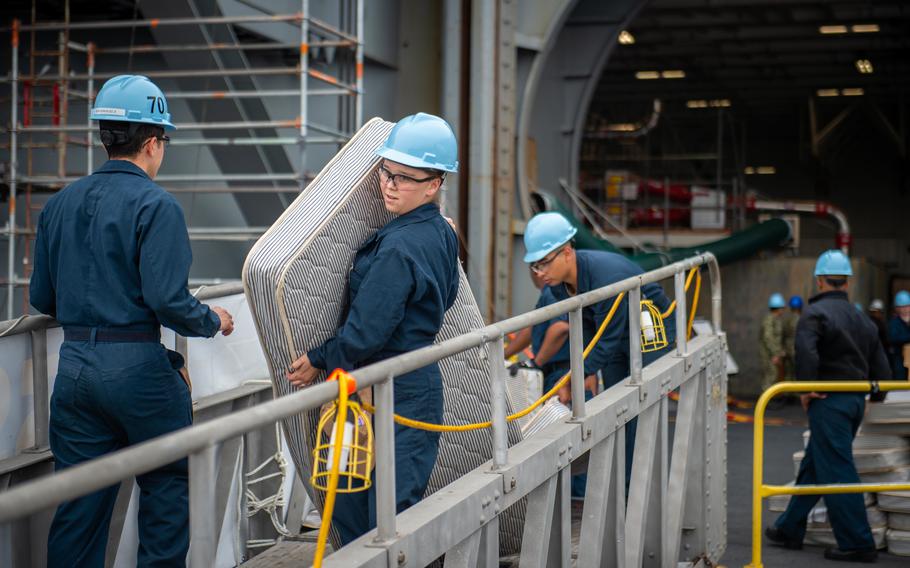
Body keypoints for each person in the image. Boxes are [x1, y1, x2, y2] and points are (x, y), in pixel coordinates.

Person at [30, 75, 235, 566]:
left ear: (106, 136)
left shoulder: (58, 204)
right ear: (152, 142)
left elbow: (42, 297)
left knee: (79, 505)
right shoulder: (156, 205)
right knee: (166, 491)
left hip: (75, 368)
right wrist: (213, 320)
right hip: (140, 376)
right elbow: (168, 300)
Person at [285, 112, 460, 544]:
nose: (388, 184)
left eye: (404, 177)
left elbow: (367, 330)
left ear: (434, 183)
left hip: (389, 385)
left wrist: (319, 359)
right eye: (386, 171)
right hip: (407, 382)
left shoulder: (400, 246)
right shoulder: (440, 231)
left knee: (377, 516)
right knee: (380, 508)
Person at [520, 212, 676, 484]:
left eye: (544, 263)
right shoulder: (560, 285)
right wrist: (584, 369)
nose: (540, 273)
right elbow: (586, 324)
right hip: (618, 333)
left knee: (642, 412)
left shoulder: (606, 276)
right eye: (535, 266)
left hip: (650, 330)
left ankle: (640, 488)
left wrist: (577, 373)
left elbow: (606, 337)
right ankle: (621, 485)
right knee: (619, 410)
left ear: (566, 252)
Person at [765, 250, 890, 563]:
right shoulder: (863, 318)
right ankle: (789, 528)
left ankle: (858, 543)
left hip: (828, 401)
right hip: (854, 402)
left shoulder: (814, 314)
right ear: (846, 282)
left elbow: (807, 353)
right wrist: (875, 397)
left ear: (819, 280)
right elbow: (883, 371)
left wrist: (808, 390)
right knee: (815, 464)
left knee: (837, 470)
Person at [504, 267, 571, 401]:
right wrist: (501, 356)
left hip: (561, 374)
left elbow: (561, 327)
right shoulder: (550, 291)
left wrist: (535, 363)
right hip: (557, 371)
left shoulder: (553, 291)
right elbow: (534, 328)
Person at [759, 293, 787, 392]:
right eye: (782, 308)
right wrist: (775, 354)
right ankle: (764, 401)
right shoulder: (769, 320)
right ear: (778, 308)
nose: (783, 310)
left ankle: (766, 400)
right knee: (770, 375)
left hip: (773, 353)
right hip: (769, 354)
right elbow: (768, 338)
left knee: (773, 375)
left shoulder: (775, 319)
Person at [888, 290, 910, 380]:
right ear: (897, 308)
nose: (904, 309)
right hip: (899, 359)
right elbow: (894, 338)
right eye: (901, 307)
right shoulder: (894, 323)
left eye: (906, 306)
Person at [782, 295, 803, 381]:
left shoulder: (786, 320)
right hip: (798, 349)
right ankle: (797, 392)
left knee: (788, 373)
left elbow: (783, 335)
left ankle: (788, 392)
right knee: (797, 372)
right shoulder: (803, 319)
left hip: (787, 349)